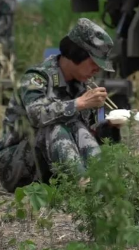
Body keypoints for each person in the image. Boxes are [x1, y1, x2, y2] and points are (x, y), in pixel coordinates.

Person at [0, 18, 120, 192]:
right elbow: (37, 115)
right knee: (55, 127)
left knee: (78, 127)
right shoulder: (36, 78)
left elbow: (88, 135)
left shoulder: (81, 85)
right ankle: (82, 185)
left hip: (52, 166)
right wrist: (79, 103)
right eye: (94, 63)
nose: (97, 70)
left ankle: (100, 180)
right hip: (15, 165)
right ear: (76, 54)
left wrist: (110, 127)